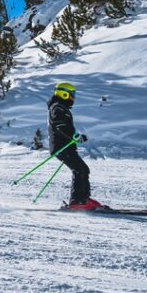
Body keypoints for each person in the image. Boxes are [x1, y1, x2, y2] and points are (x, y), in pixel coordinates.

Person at [47, 81, 101, 210]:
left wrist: (75, 136)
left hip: (66, 146)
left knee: (83, 169)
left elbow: (65, 127)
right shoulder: (57, 108)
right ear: (63, 94)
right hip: (61, 147)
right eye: (71, 94)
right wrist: (74, 137)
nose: (73, 98)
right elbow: (60, 126)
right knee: (79, 170)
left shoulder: (61, 108)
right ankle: (77, 201)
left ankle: (84, 199)